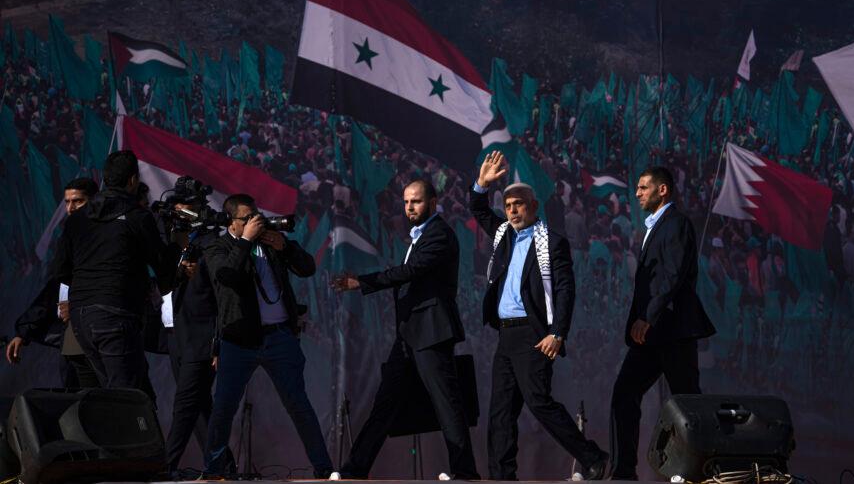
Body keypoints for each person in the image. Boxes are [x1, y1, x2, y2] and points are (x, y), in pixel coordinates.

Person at [471, 151, 608, 480]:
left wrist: (557, 333)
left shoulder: (552, 242)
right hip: (506, 334)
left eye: (519, 204)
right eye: (507, 205)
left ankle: (592, 457)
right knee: (501, 412)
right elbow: (477, 208)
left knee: (538, 403)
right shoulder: (504, 235)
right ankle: (502, 476)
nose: (513, 210)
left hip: (535, 335)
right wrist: (481, 184)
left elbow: (564, 290)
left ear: (533, 207)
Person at [331, 179, 479, 479]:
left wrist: (363, 281)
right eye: (407, 202)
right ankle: (355, 469)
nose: (410, 207)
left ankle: (465, 473)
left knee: (446, 403)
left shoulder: (439, 235)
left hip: (431, 331)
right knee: (385, 405)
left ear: (433, 203)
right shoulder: (418, 236)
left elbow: (411, 272)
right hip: (408, 334)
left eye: (417, 201)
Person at [203, 194, 334, 478]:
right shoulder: (218, 246)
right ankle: (213, 471)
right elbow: (226, 277)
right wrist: (245, 242)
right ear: (231, 222)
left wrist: (285, 246)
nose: (254, 222)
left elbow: (307, 268)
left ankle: (324, 469)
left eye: (256, 216)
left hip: (279, 338)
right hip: (238, 341)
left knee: (299, 405)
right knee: (224, 408)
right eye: (246, 218)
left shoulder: (270, 242)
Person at [609, 166, 716, 480]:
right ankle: (623, 472)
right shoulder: (656, 227)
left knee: (687, 403)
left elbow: (671, 276)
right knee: (625, 392)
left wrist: (648, 317)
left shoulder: (676, 224)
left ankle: (702, 471)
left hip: (672, 329)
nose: (638, 192)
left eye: (643, 187)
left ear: (663, 190)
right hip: (653, 333)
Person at [51, 153, 179, 392]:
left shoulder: (77, 218)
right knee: (125, 399)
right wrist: (176, 244)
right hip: (115, 316)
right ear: (132, 180)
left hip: (81, 320)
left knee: (120, 393)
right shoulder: (138, 217)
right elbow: (163, 266)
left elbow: (60, 270)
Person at [163, 196, 236, 477]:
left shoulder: (211, 244)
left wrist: (218, 342)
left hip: (202, 338)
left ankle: (165, 466)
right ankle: (224, 467)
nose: (180, 215)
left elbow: (222, 298)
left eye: (186, 210)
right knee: (199, 406)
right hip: (176, 336)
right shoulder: (172, 244)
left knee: (185, 405)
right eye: (176, 209)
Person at [6, 177, 100, 390]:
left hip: (107, 332)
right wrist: (25, 331)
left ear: (94, 201)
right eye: (67, 202)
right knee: (75, 394)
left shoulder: (111, 235)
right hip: (76, 333)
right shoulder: (70, 237)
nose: (70, 208)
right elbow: (58, 284)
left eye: (78, 201)